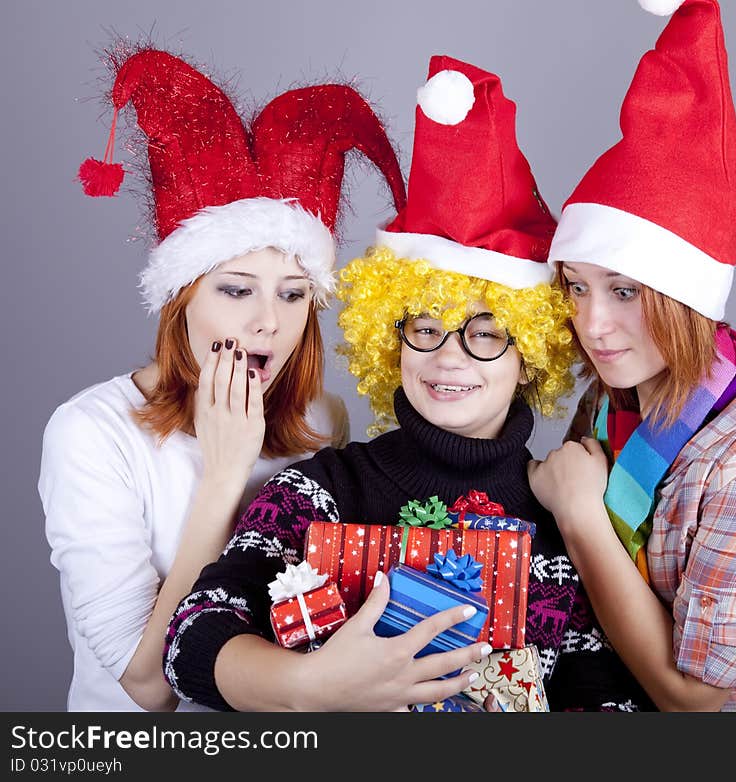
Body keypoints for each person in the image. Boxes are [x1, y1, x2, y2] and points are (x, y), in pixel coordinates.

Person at [163, 55, 654, 712]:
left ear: (529, 356)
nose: (448, 358)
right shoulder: (321, 492)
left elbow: (613, 695)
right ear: (388, 342)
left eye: (484, 333)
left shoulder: (566, 521)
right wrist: (310, 686)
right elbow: (191, 639)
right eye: (425, 328)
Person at [38, 47, 406, 711]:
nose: (268, 322)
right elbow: (148, 688)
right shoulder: (90, 434)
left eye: (293, 295)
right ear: (183, 298)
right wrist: (223, 476)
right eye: (237, 290)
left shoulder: (322, 418)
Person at [529, 0, 736, 711]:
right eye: (576, 287)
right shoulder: (613, 397)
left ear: (686, 296)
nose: (592, 324)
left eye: (626, 292)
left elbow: (693, 699)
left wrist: (579, 517)